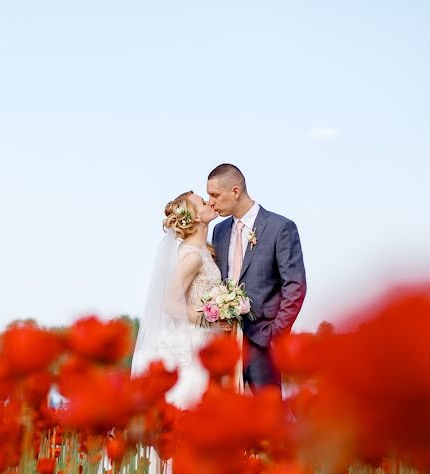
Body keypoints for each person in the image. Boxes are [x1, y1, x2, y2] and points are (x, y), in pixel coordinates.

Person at [207, 163, 306, 390]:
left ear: (235, 191)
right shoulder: (219, 231)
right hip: (227, 343)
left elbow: (295, 286)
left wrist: (274, 335)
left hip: (264, 344)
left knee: (270, 416)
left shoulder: (280, 228)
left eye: (215, 195)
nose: (210, 202)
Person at [131, 191, 220, 409]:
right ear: (196, 217)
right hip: (192, 342)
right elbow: (169, 303)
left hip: (203, 339)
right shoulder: (192, 257)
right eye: (203, 201)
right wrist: (211, 320)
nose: (209, 202)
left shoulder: (203, 251)